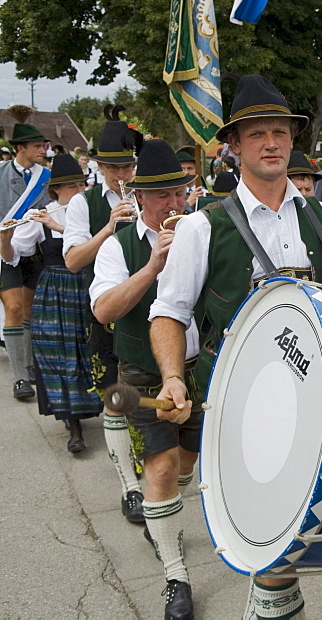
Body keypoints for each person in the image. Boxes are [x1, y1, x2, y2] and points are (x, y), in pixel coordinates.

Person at [149, 73, 322, 620]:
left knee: (288, 540)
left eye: (281, 132)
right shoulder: (201, 226)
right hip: (238, 402)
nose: (272, 143)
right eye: (258, 133)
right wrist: (173, 377)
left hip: (315, 397)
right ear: (234, 147)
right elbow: (167, 313)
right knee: (270, 540)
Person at [90, 138, 198, 620]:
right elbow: (104, 309)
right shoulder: (118, 245)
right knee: (160, 466)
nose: (174, 205)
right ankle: (176, 577)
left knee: (188, 464)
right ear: (138, 199)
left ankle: (165, 520)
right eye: (162, 196)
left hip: (200, 366)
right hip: (141, 370)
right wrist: (154, 265)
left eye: (180, 193)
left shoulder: (204, 231)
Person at [62, 105, 145, 525]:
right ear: (98, 165)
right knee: (116, 401)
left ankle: (154, 479)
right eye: (114, 167)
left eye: (128, 166)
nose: (122, 175)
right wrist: (108, 229)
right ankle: (129, 488)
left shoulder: (148, 188)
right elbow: (74, 261)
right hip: (106, 313)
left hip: (149, 311)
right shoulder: (83, 203)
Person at [0, 154, 96, 451]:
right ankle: (74, 425)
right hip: (55, 288)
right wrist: (5, 237)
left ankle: (103, 410)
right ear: (56, 190)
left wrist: (60, 226)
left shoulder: (92, 211)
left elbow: (97, 243)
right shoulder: (41, 214)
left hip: (88, 285)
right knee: (60, 354)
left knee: (89, 350)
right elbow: (12, 256)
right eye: (71, 186)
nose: (79, 190)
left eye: (81, 183)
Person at [0, 105, 49, 402]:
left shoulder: (47, 177)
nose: (43, 150)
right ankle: (19, 377)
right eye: (36, 146)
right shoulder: (1, 174)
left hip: (36, 251)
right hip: (5, 250)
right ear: (21, 148)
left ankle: (29, 366)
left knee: (29, 310)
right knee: (14, 309)